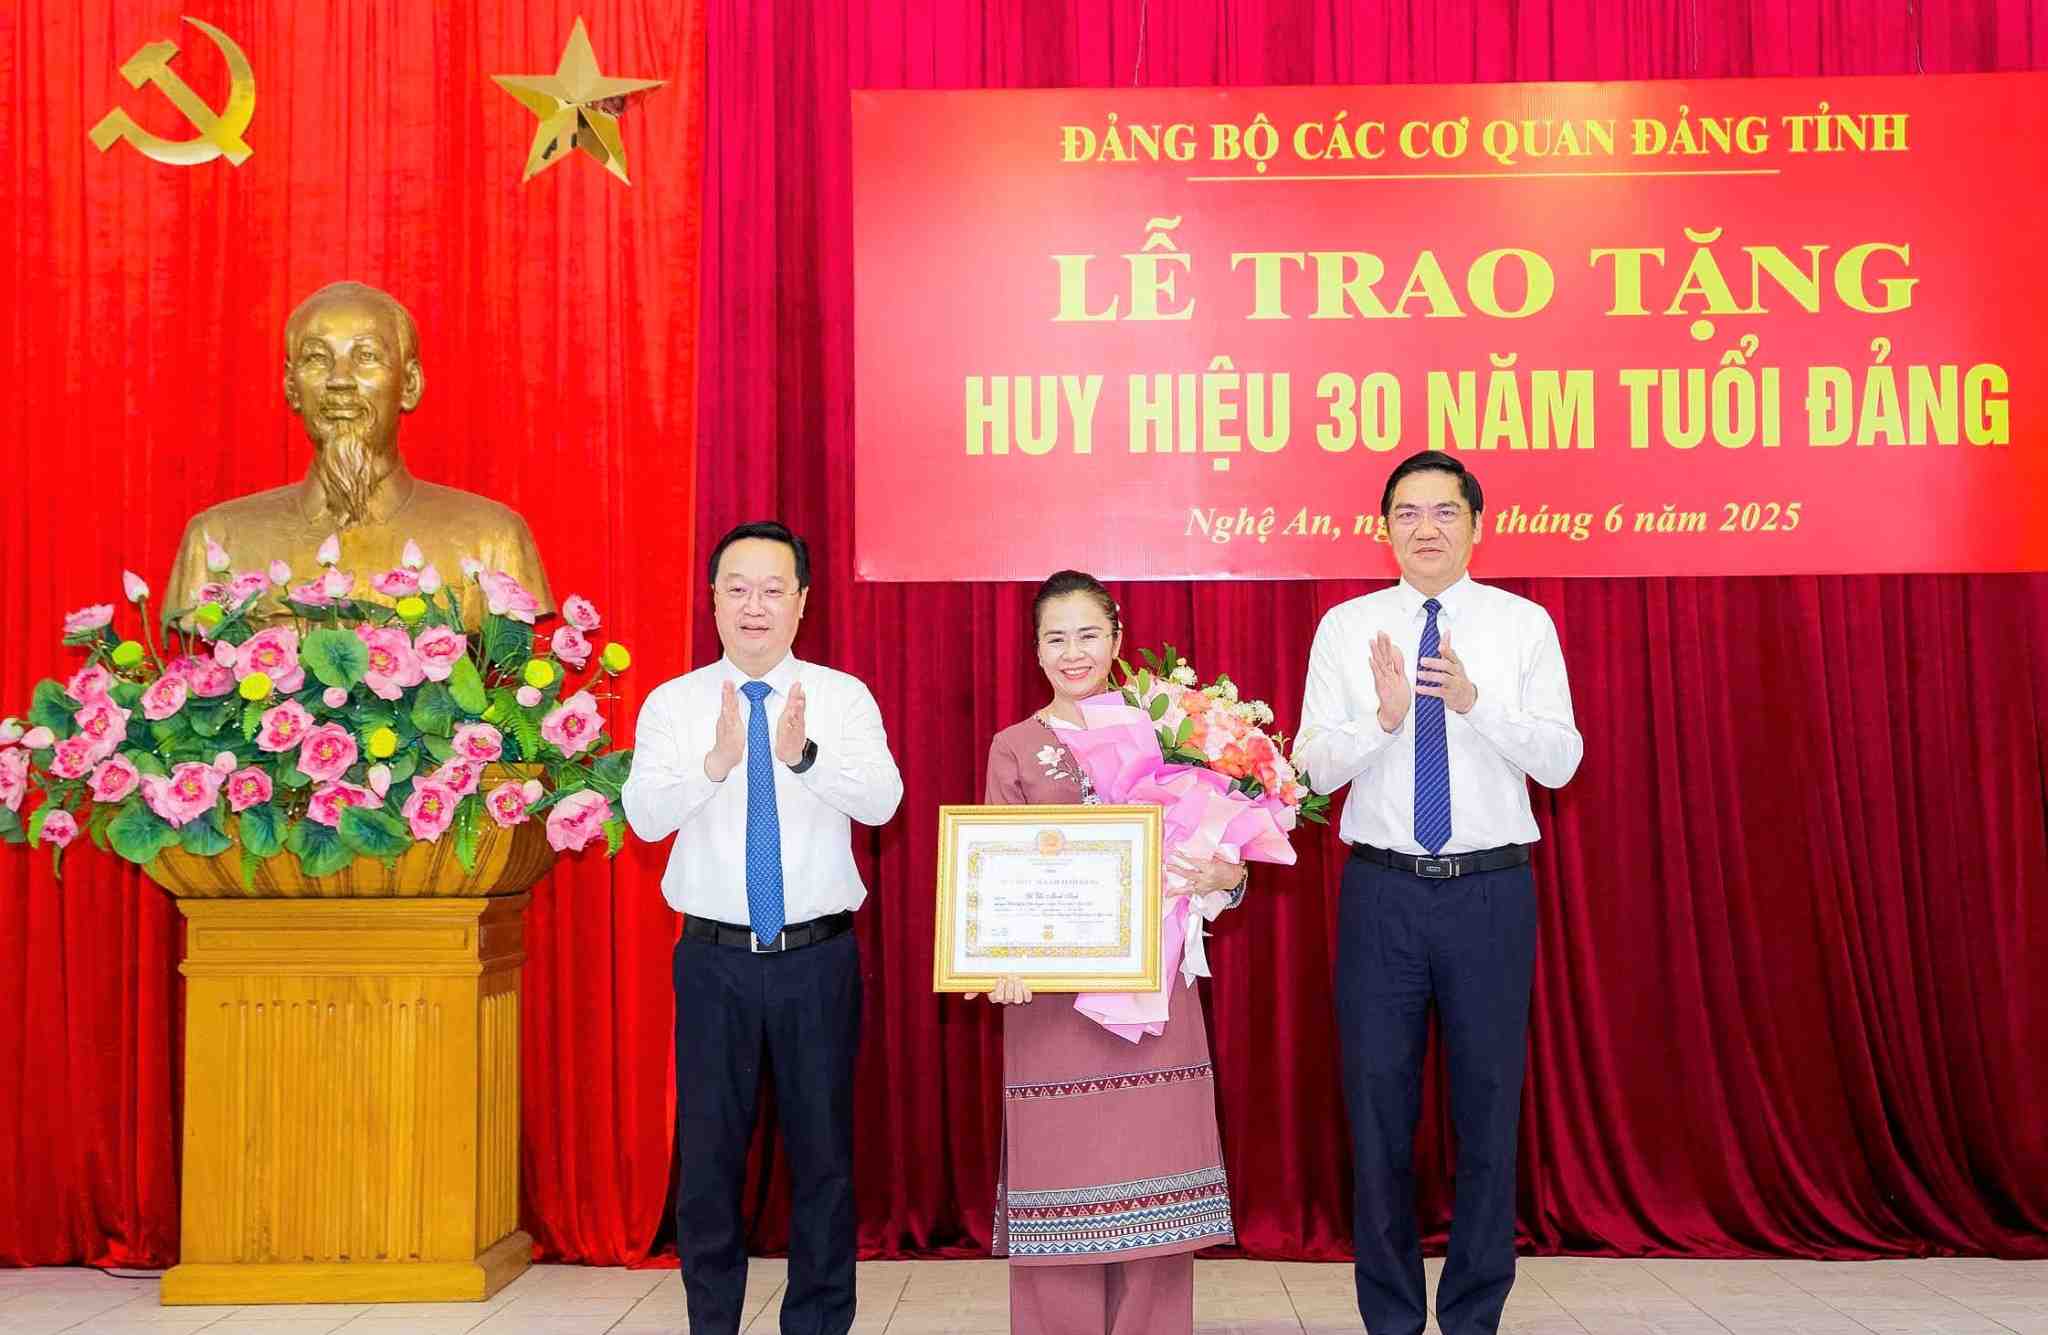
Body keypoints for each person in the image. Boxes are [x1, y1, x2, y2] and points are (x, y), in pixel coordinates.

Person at [1294, 453, 1582, 1335]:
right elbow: (1306, 767)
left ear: (1476, 525)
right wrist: (1382, 721)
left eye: (1444, 512)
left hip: (1490, 893)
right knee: (1377, 1110)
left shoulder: (1522, 624)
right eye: (1408, 512)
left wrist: (1473, 700)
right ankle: (1388, 1317)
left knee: (1489, 1109)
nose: (1426, 528)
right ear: (1383, 528)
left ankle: (1471, 1316)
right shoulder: (1347, 627)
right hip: (1382, 892)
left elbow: (1561, 760)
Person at [621, 521, 903, 1335]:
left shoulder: (841, 698)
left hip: (817, 957)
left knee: (823, 1157)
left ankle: (816, 1324)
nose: (755, 606)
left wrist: (805, 753)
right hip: (713, 961)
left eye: (773, 589)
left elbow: (884, 802)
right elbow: (641, 819)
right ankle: (712, 1322)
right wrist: (712, 764)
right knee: (709, 1160)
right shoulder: (672, 704)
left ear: (803, 602)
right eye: (737, 587)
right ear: (712, 598)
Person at [976, 570, 1247, 1335]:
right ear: (1034, 649)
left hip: (1154, 999)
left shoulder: (1169, 732)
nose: (1073, 652)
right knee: (1059, 1212)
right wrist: (996, 958)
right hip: (1050, 1008)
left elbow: (1220, 859)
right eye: (1055, 637)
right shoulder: (1016, 747)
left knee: (1157, 1220)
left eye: (1088, 634)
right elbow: (997, 876)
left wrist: (1228, 876)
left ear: (1118, 640)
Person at [166, 281, 552, 622]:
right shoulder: (218, 541)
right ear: (291, 386)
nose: (339, 380)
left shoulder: (491, 539)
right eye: (317, 358)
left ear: (410, 384)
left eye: (366, 356)